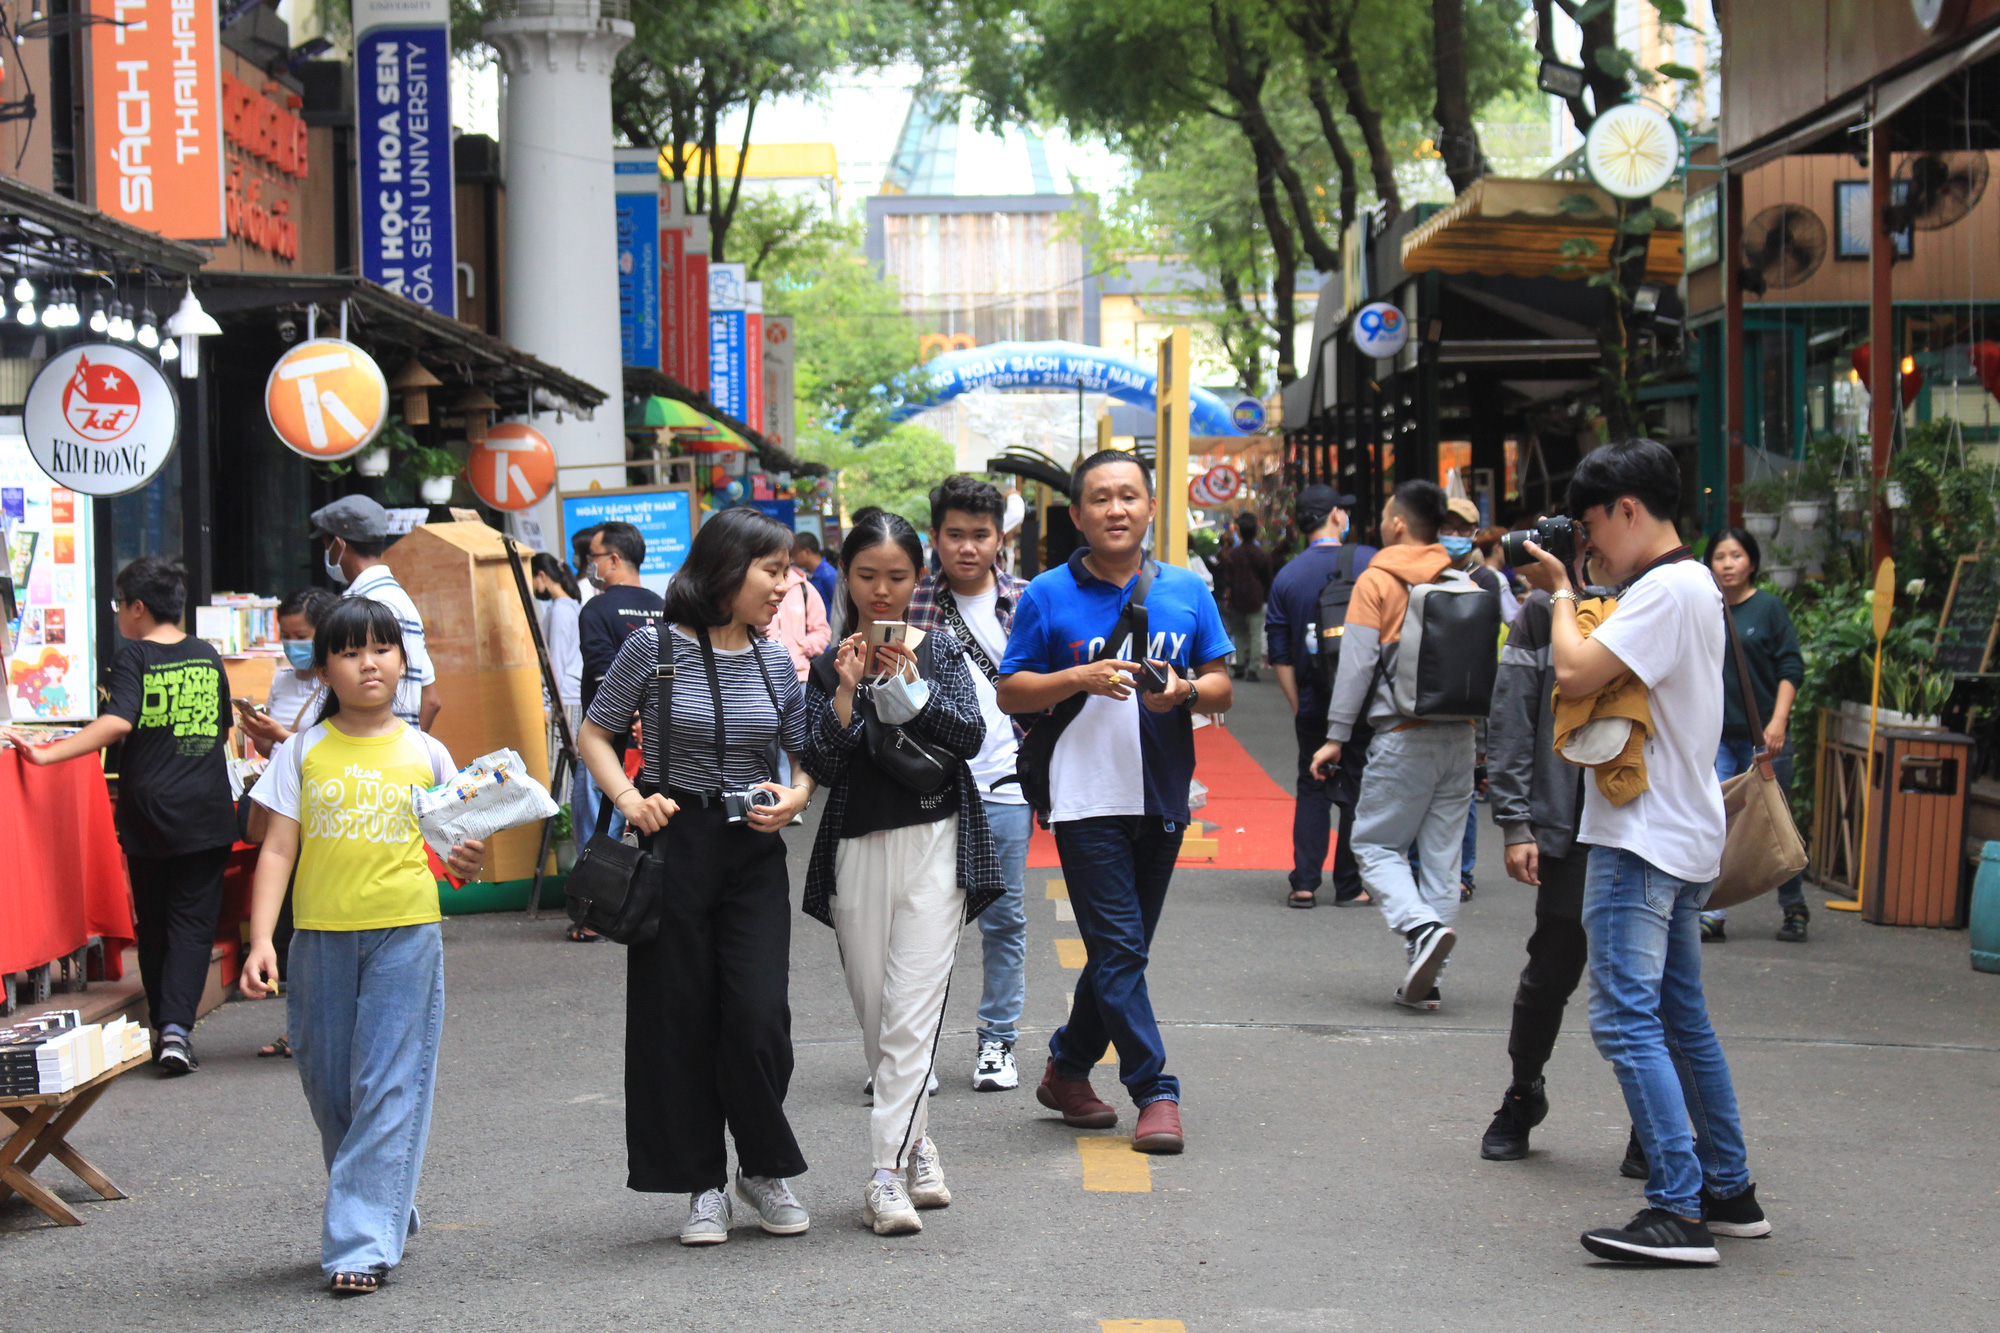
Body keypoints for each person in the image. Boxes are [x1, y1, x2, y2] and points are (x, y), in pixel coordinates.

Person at [1523, 437, 1769, 1266]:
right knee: (1678, 1018)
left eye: (1592, 526)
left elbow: (1576, 670)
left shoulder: (1665, 589)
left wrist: (1562, 591)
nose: (1589, 544)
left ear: (1628, 509)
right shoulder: (1690, 583)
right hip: (1682, 827)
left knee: (1624, 1017)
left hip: (1641, 834)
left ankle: (1677, 1203)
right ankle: (1728, 1188)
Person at [576, 506, 817, 1247]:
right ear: (725, 569)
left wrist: (797, 795)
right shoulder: (652, 649)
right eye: (772, 571)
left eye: (787, 572)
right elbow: (595, 731)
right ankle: (703, 1183)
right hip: (676, 842)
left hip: (751, 848)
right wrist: (627, 798)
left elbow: (804, 750)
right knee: (677, 1017)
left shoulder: (777, 659)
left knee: (756, 1014)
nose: (784, 585)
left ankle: (761, 1166)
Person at [239, 598, 487, 1294]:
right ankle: (383, 1204)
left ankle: (357, 1245)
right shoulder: (303, 750)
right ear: (324, 671)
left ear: (403, 663)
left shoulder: (426, 751)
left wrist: (464, 863)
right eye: (350, 652)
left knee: (387, 1084)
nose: (368, 662)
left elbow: (457, 847)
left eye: (382, 648)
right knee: (330, 1089)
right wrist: (263, 939)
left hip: (406, 933)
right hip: (317, 939)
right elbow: (277, 847)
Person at [996, 450, 1234, 1156]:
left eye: (1128, 495)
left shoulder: (1188, 590)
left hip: (1163, 791)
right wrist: (1077, 675)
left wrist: (1185, 691)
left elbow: (1221, 683)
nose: (1115, 508)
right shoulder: (1045, 593)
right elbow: (1012, 689)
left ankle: (1068, 1068)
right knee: (1121, 949)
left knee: (1119, 952)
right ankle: (1155, 1089)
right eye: (1099, 498)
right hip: (1082, 795)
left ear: (1151, 507)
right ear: (1077, 514)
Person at [801, 510, 1000, 1236]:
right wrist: (850, 692)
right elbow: (822, 763)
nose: (881, 592)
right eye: (866, 576)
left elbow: (971, 736)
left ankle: (883, 1174)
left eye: (897, 577)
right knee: (878, 1014)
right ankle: (919, 1143)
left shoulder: (942, 650)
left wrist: (909, 687)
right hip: (857, 848)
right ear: (845, 576)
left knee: (915, 1010)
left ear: (919, 579)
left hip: (937, 843)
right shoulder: (827, 662)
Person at [4, 558, 238, 1076]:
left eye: (119, 606)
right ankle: (177, 1030)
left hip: (151, 811)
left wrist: (48, 752)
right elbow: (220, 730)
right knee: (192, 924)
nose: (118, 616)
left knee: (154, 924)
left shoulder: (131, 657)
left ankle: (166, 1027)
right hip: (206, 809)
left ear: (137, 607)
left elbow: (116, 722)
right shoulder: (206, 656)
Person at [1479, 553, 1647, 1175]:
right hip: (1571, 823)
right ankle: (1524, 1092)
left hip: (1645, 820)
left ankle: (1648, 1120)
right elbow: (1514, 714)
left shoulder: (1664, 596)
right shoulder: (1542, 612)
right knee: (1552, 966)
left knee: (1645, 979)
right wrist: (1516, 821)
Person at [1310, 480, 1477, 1011]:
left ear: (1398, 523)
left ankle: (1421, 928)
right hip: (1461, 737)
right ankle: (1429, 973)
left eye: (1385, 513)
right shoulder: (1461, 580)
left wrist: (1335, 737)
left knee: (1375, 845)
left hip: (1403, 736)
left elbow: (1356, 667)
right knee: (1442, 859)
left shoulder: (1376, 580)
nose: (1382, 521)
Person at [907, 474, 1033, 1092]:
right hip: (930, 782)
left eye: (979, 535)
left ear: (999, 537)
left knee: (1003, 919)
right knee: (923, 924)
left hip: (1007, 783)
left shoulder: (1028, 599)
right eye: (954, 535)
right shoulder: (911, 604)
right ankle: (915, 1051)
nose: (966, 548)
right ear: (935, 536)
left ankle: (998, 1042)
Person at [235, 585, 337, 1063]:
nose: (293, 644)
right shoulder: (280, 682)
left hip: (327, 813)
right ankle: (300, 1026)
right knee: (292, 926)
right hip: (284, 807)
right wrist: (263, 737)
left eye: (302, 636)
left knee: (320, 919)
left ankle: (323, 1024)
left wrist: (286, 737)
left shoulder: (337, 679)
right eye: (287, 635)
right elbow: (279, 750)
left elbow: (330, 745)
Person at [1263, 485, 1377, 909]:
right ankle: (1350, 884)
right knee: (1358, 787)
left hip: (1313, 701)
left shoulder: (1288, 576)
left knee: (1312, 785)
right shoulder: (1368, 562)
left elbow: (1279, 654)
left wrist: (1299, 706)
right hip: (1366, 701)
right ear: (1335, 515)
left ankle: (1305, 882)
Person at [1701, 527, 1807, 944]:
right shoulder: (1707, 609)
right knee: (1716, 821)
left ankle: (1794, 905)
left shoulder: (1769, 609)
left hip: (1766, 738)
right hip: (1719, 737)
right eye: (1720, 556)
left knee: (1775, 823)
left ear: (1753, 562)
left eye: (1736, 556)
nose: (1727, 564)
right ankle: (1715, 911)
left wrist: (1778, 721)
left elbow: (1790, 669)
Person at [571, 520, 665, 919]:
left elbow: (602, 671)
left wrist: (631, 714)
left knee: (596, 825)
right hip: (660, 741)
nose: (589, 567)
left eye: (592, 558)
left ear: (611, 559)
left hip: (608, 738)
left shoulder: (596, 609)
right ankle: (631, 903)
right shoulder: (664, 607)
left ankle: (595, 912)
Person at [311, 497, 439, 733]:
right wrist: (413, 744)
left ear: (338, 545)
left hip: (359, 752)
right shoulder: (403, 601)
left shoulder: (357, 607)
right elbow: (431, 699)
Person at [1441, 497, 1503, 904]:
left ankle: (1463, 873)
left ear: (1475, 535)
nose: (1456, 536)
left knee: (1463, 791)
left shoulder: (1487, 580)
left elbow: (1485, 643)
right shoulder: (1424, 572)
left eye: (1464, 531)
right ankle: (1423, 866)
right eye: (1449, 528)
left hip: (1469, 696)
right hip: (1429, 695)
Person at [1214, 510, 1273, 680]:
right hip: (1256, 598)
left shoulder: (1234, 554)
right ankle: (1253, 669)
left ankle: (1239, 665)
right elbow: (1267, 577)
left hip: (1237, 598)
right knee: (1255, 634)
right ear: (1255, 532)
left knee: (1238, 632)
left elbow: (1228, 577)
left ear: (1240, 532)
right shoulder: (1262, 554)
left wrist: (1228, 596)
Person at [770, 550, 832, 683]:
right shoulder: (759, 588)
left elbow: (822, 631)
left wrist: (802, 647)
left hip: (800, 676)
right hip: (762, 676)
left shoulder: (804, 588)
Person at [793, 529, 839, 621]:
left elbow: (840, 605)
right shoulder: (806, 574)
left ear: (806, 551)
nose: (793, 558)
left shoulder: (828, 574)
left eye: (795, 553)